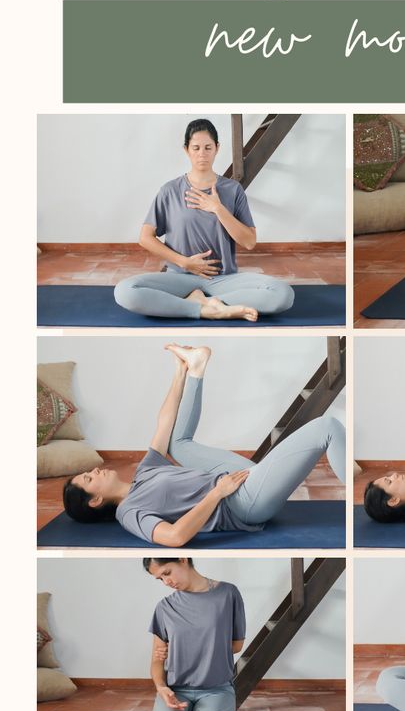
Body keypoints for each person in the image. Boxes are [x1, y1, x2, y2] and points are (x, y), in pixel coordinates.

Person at [63, 344, 346, 545]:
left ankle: (198, 366)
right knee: (326, 426)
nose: (95, 471)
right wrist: (216, 494)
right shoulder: (129, 513)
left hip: (230, 482)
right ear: (95, 500)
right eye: (89, 478)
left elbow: (164, 424)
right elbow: (175, 537)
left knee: (176, 443)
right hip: (241, 504)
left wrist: (181, 371)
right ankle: (355, 482)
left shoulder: (144, 473)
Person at [114, 118, 295, 321]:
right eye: (196, 148)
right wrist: (184, 263)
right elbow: (145, 237)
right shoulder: (170, 190)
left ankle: (205, 301)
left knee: (283, 294)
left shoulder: (232, 190)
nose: (202, 154)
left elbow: (249, 241)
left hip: (224, 279)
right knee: (125, 291)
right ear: (186, 150)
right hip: (179, 278)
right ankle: (207, 309)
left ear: (217, 148)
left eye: (208, 147)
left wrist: (218, 208)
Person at [143, 557, 245, 711]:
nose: (166, 582)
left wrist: (188, 646)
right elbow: (156, 660)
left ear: (183, 560)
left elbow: (236, 645)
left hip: (216, 689)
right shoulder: (165, 607)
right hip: (176, 691)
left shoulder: (228, 593)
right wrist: (161, 687)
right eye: (159, 579)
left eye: (167, 572)